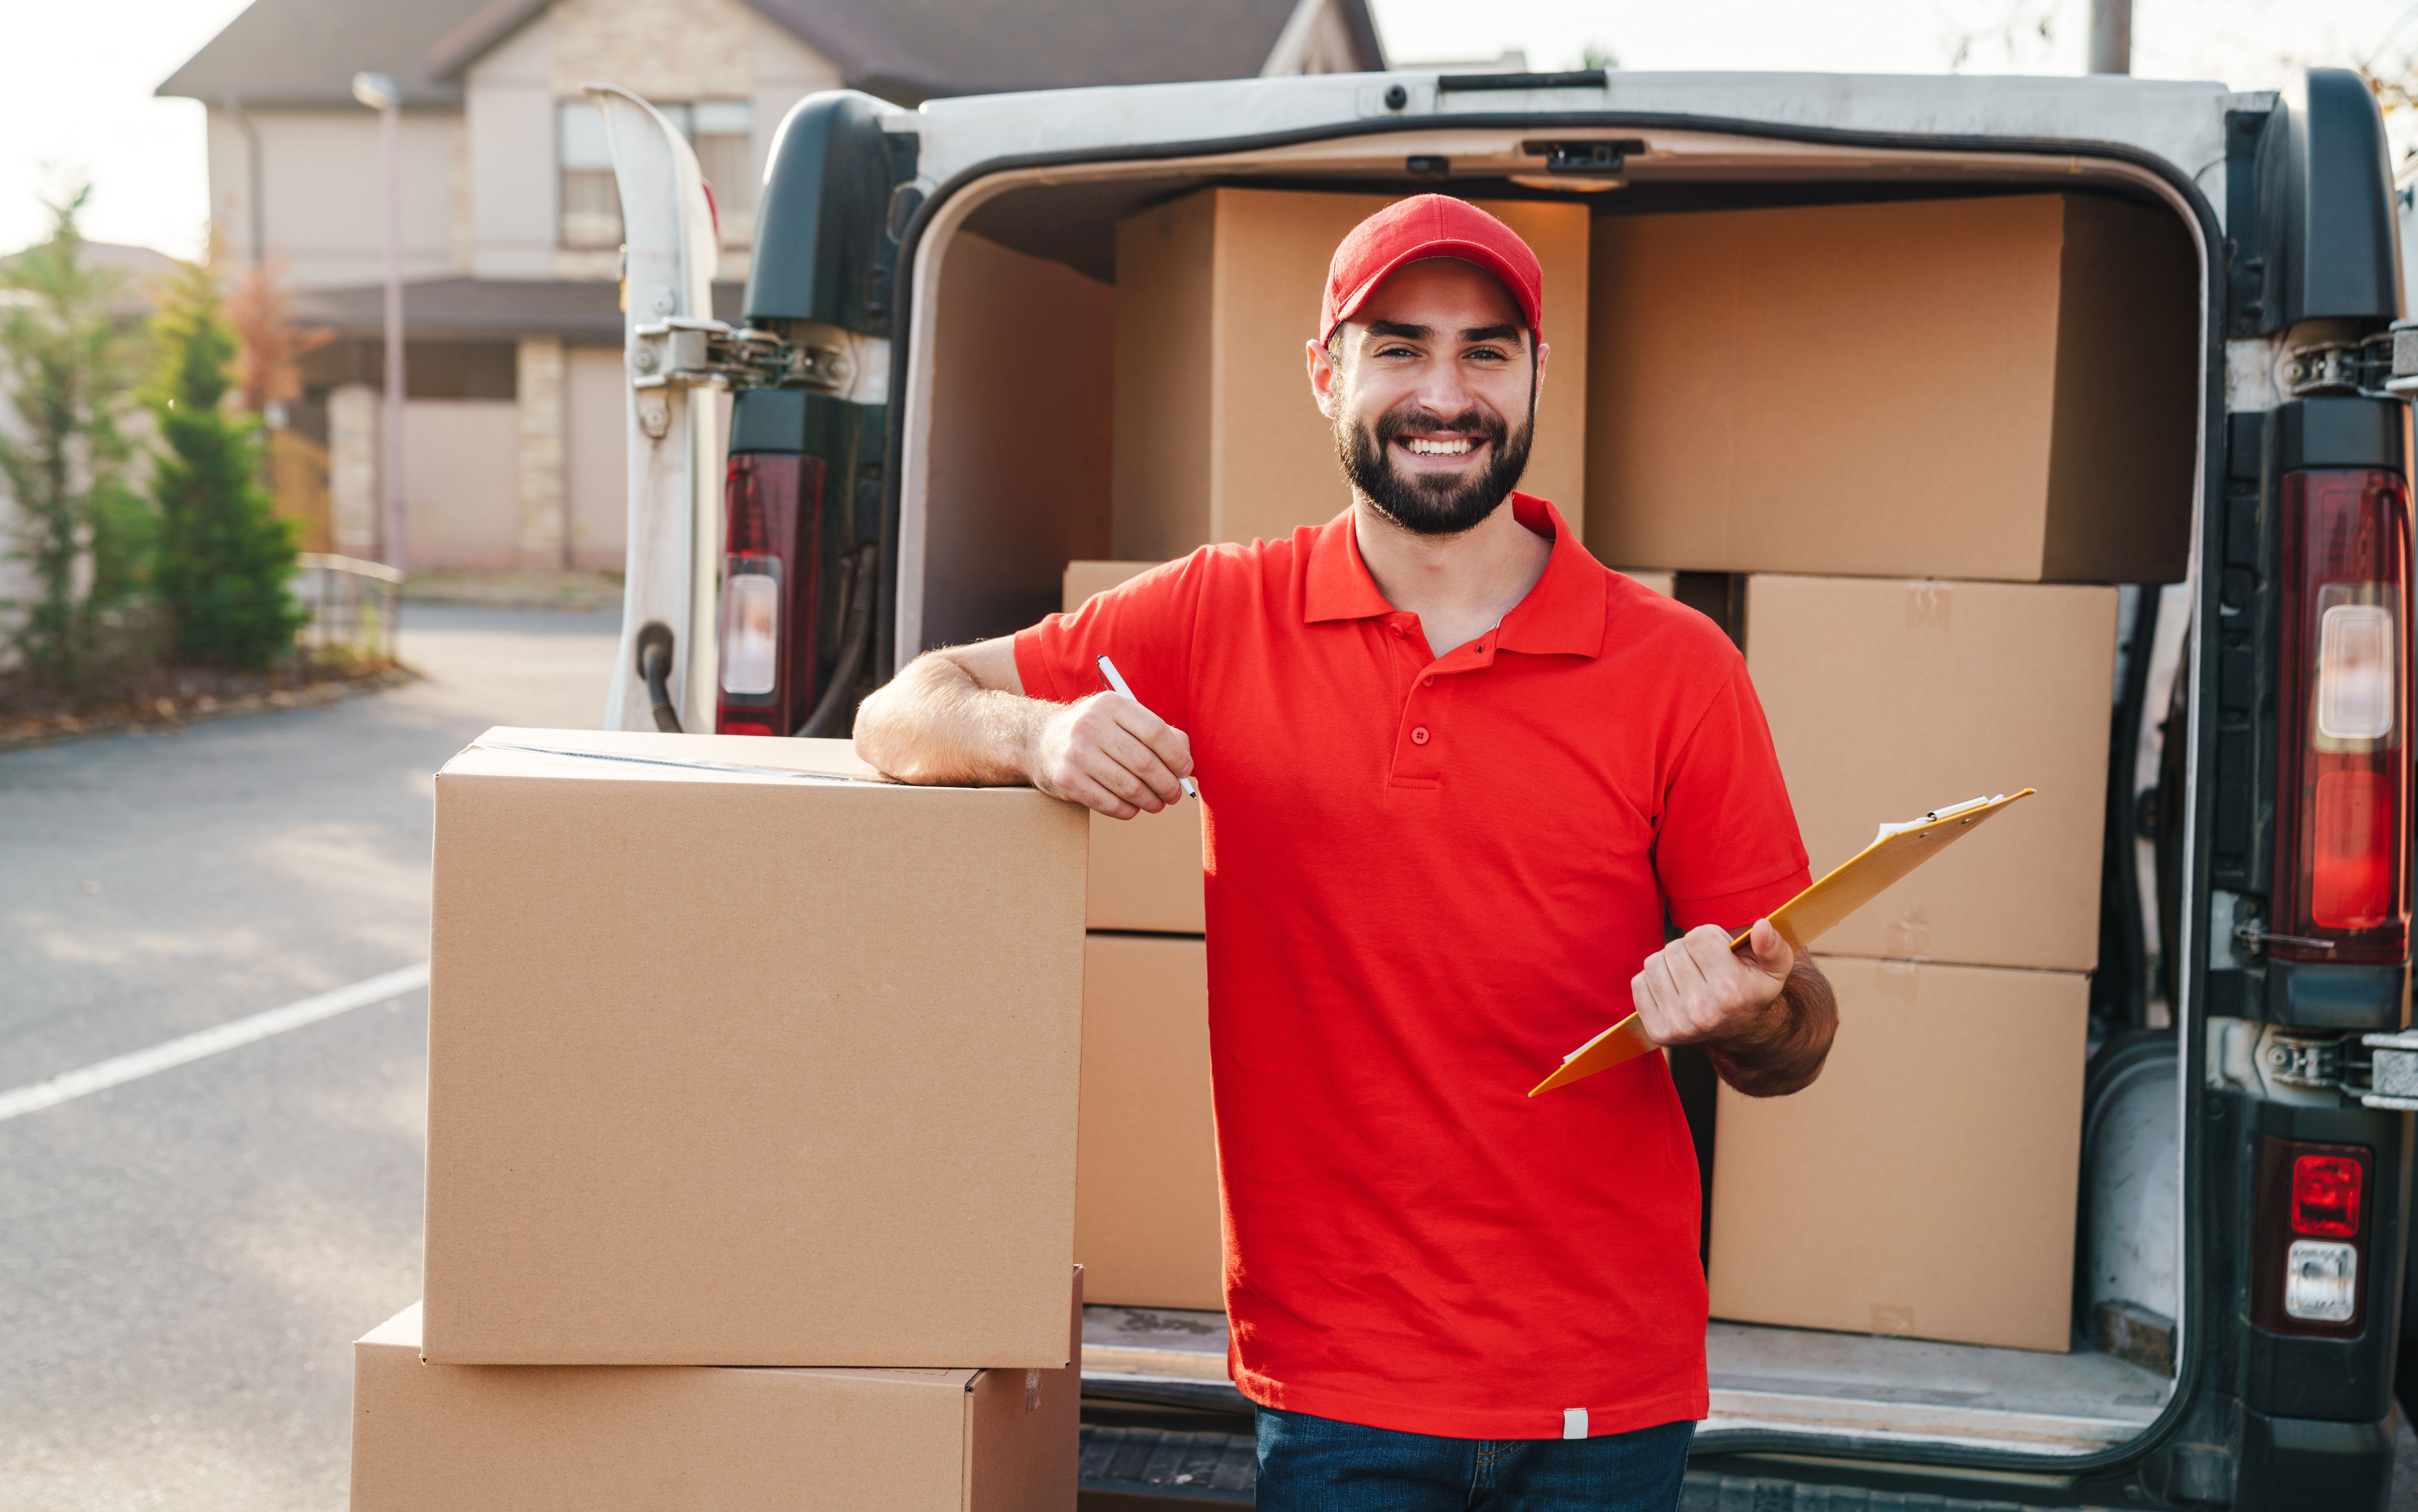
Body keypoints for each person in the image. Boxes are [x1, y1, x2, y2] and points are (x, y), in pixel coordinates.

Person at [856, 194, 1837, 1512]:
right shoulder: (1219, 612)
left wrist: (1750, 1009)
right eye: (1399, 348)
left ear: (1536, 374)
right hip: (1337, 1389)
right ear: (1324, 372)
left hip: (1605, 1386)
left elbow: (1798, 1033)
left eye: (1486, 351)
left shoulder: (1674, 666)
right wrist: (1038, 733)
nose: (1446, 393)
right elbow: (899, 711)